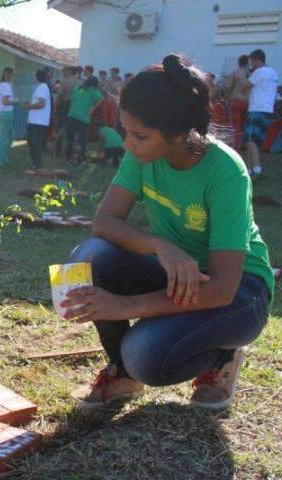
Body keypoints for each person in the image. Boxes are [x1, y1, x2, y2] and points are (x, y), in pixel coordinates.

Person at [63, 54, 273, 410]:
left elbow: (222, 287)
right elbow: (105, 223)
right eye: (126, 131)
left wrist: (123, 306)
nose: (127, 144)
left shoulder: (225, 172)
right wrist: (160, 245)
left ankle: (222, 357)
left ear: (178, 134)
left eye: (139, 135)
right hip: (176, 275)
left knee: (145, 356)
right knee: (90, 256)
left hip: (240, 293)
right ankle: (121, 374)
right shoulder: (142, 155)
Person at [244, 49, 278, 180]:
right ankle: (250, 169)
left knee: (250, 141)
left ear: (258, 59)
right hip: (267, 110)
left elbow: (244, 86)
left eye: (252, 61)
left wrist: (243, 75)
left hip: (256, 109)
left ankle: (257, 171)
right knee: (254, 142)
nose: (251, 64)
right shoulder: (273, 73)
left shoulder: (259, 72)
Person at [65, 76, 102, 163]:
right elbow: (101, 99)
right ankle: (80, 157)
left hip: (72, 115)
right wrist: (92, 108)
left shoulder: (78, 88)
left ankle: (68, 156)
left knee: (70, 138)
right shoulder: (93, 90)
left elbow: (71, 100)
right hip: (83, 118)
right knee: (82, 139)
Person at [23, 70, 52, 170]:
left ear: (37, 77)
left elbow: (41, 104)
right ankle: (36, 164)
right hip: (35, 120)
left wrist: (29, 106)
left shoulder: (42, 87)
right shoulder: (41, 87)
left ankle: (38, 165)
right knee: (31, 142)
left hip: (38, 121)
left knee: (35, 143)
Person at [0, 67, 16, 168]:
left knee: (10, 136)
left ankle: (3, 157)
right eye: (13, 75)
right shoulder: (6, 86)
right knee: (2, 139)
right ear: (10, 75)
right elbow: (5, 102)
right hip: (6, 113)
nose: (14, 77)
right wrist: (15, 100)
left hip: (0, 113)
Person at [225, 55, 250, 152]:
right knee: (245, 125)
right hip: (248, 102)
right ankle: (246, 145)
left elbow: (228, 87)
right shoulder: (252, 74)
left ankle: (236, 147)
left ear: (239, 63)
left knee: (236, 126)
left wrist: (225, 99)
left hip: (236, 101)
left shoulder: (235, 73)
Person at [55, 66, 81, 158]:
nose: (63, 73)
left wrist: (56, 106)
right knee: (72, 129)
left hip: (64, 105)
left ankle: (58, 151)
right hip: (75, 106)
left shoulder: (64, 81)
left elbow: (60, 95)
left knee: (61, 127)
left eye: (64, 71)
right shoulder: (79, 82)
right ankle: (70, 151)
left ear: (70, 71)